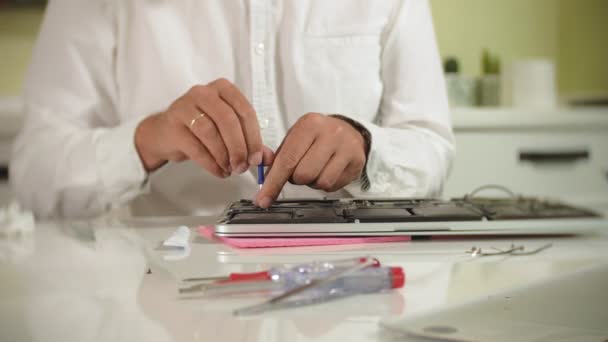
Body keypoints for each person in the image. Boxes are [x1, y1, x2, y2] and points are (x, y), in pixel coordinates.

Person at [10, 0, 454, 218]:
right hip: (155, 301)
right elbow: (35, 172)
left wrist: (366, 148)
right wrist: (145, 141)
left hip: (353, 294)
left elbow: (431, 146)